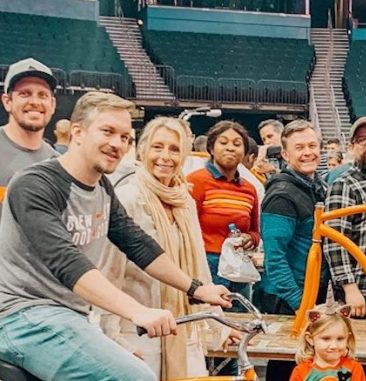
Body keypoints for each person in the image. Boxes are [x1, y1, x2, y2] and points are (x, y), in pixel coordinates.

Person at [0, 92, 232, 381]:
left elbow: (138, 244)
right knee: (138, 377)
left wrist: (196, 289)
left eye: (125, 137)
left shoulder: (101, 188)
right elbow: (68, 264)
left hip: (70, 317)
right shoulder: (35, 185)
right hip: (24, 317)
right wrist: (138, 312)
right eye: (107, 131)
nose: (117, 144)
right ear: (78, 132)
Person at [93, 117, 234, 380]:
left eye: (174, 149)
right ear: (142, 150)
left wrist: (218, 322)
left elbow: (198, 266)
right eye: (158, 147)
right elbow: (107, 273)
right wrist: (111, 340)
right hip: (135, 331)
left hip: (182, 327)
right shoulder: (128, 197)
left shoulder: (185, 201)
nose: (165, 157)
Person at [258, 119, 329, 380]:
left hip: (310, 291)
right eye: (300, 147)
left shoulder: (316, 186)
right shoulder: (282, 194)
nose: (308, 152)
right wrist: (302, 304)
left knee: (305, 366)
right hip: (289, 297)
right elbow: (274, 260)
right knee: (286, 365)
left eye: (312, 145)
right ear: (286, 154)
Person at [187, 121, 260, 305]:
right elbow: (184, 229)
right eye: (223, 142)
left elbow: (255, 232)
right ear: (211, 148)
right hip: (205, 265)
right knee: (210, 324)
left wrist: (249, 239)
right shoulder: (195, 182)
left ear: (244, 152)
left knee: (240, 325)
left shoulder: (249, 189)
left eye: (237, 144)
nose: (230, 148)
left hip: (238, 268)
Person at [324, 117, 366, 320]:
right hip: (361, 290)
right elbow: (335, 241)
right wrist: (349, 288)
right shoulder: (344, 184)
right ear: (352, 147)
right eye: (362, 139)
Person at [0, 58, 58, 216]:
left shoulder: (57, 163)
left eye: (42, 95)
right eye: (24, 94)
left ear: (52, 105)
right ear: (7, 102)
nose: (34, 102)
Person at [290, 303, 366, 381]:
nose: (334, 346)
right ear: (310, 339)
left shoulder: (354, 369)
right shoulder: (301, 372)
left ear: (348, 338)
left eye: (340, 339)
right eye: (326, 339)